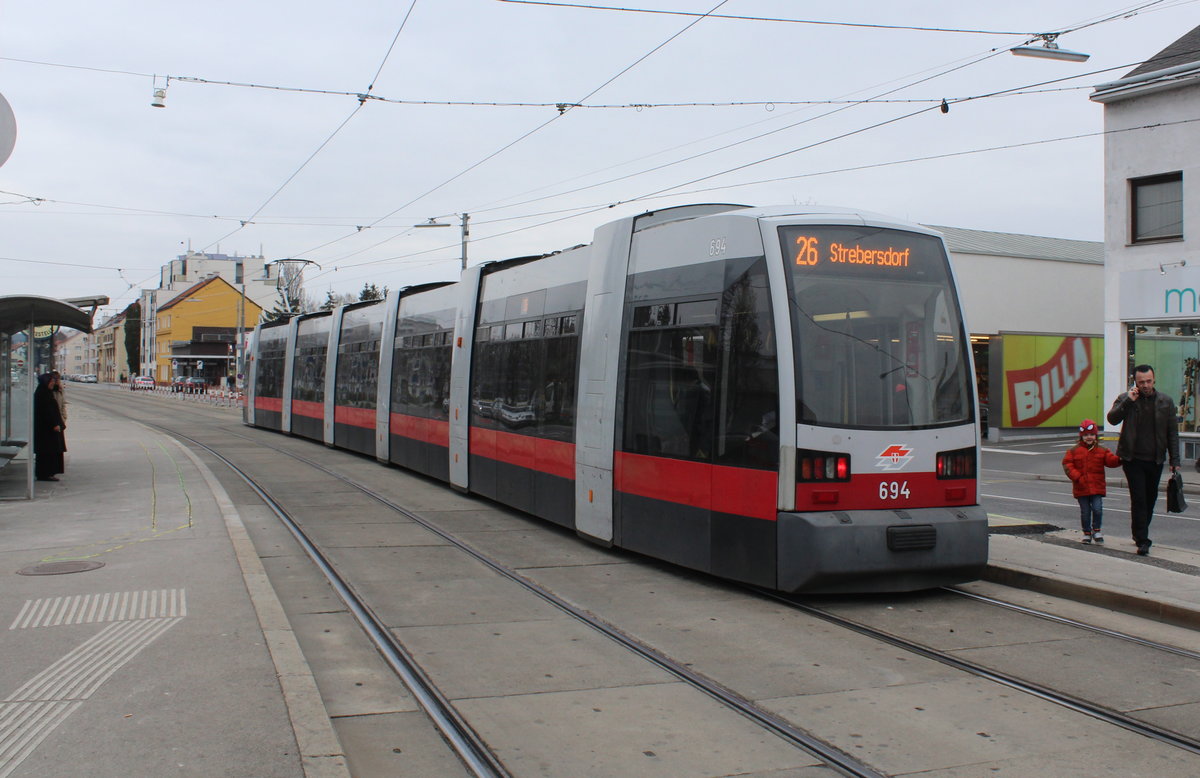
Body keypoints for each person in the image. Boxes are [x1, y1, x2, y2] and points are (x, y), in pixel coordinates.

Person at [1107, 364, 1180, 555]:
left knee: (1150, 498)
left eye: (1148, 381)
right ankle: (1142, 539)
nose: (1146, 385)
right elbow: (1112, 419)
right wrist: (1128, 402)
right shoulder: (1127, 399)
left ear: (1154, 379)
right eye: (1141, 382)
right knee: (1139, 498)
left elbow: (1172, 433)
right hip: (1132, 459)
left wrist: (1175, 460)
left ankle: (1138, 532)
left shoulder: (1165, 401)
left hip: (1155, 459)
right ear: (1135, 382)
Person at [1061, 419, 1121, 544]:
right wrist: (1078, 477)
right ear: (1081, 436)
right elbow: (1068, 465)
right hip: (1081, 487)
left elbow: (1111, 461)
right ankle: (1087, 533)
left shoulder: (1102, 450)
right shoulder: (1073, 451)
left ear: (1096, 436)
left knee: (1098, 509)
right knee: (1085, 511)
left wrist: (1121, 459)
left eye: (1091, 434)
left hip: (1096, 486)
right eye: (1086, 435)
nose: (1089, 437)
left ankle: (1097, 530)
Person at [33, 373, 66, 482]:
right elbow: (46, 412)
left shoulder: (46, 392)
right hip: (46, 430)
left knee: (50, 451)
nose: (53, 383)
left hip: (48, 429)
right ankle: (45, 474)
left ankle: (48, 473)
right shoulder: (42, 394)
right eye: (51, 381)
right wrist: (54, 424)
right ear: (46, 382)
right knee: (47, 452)